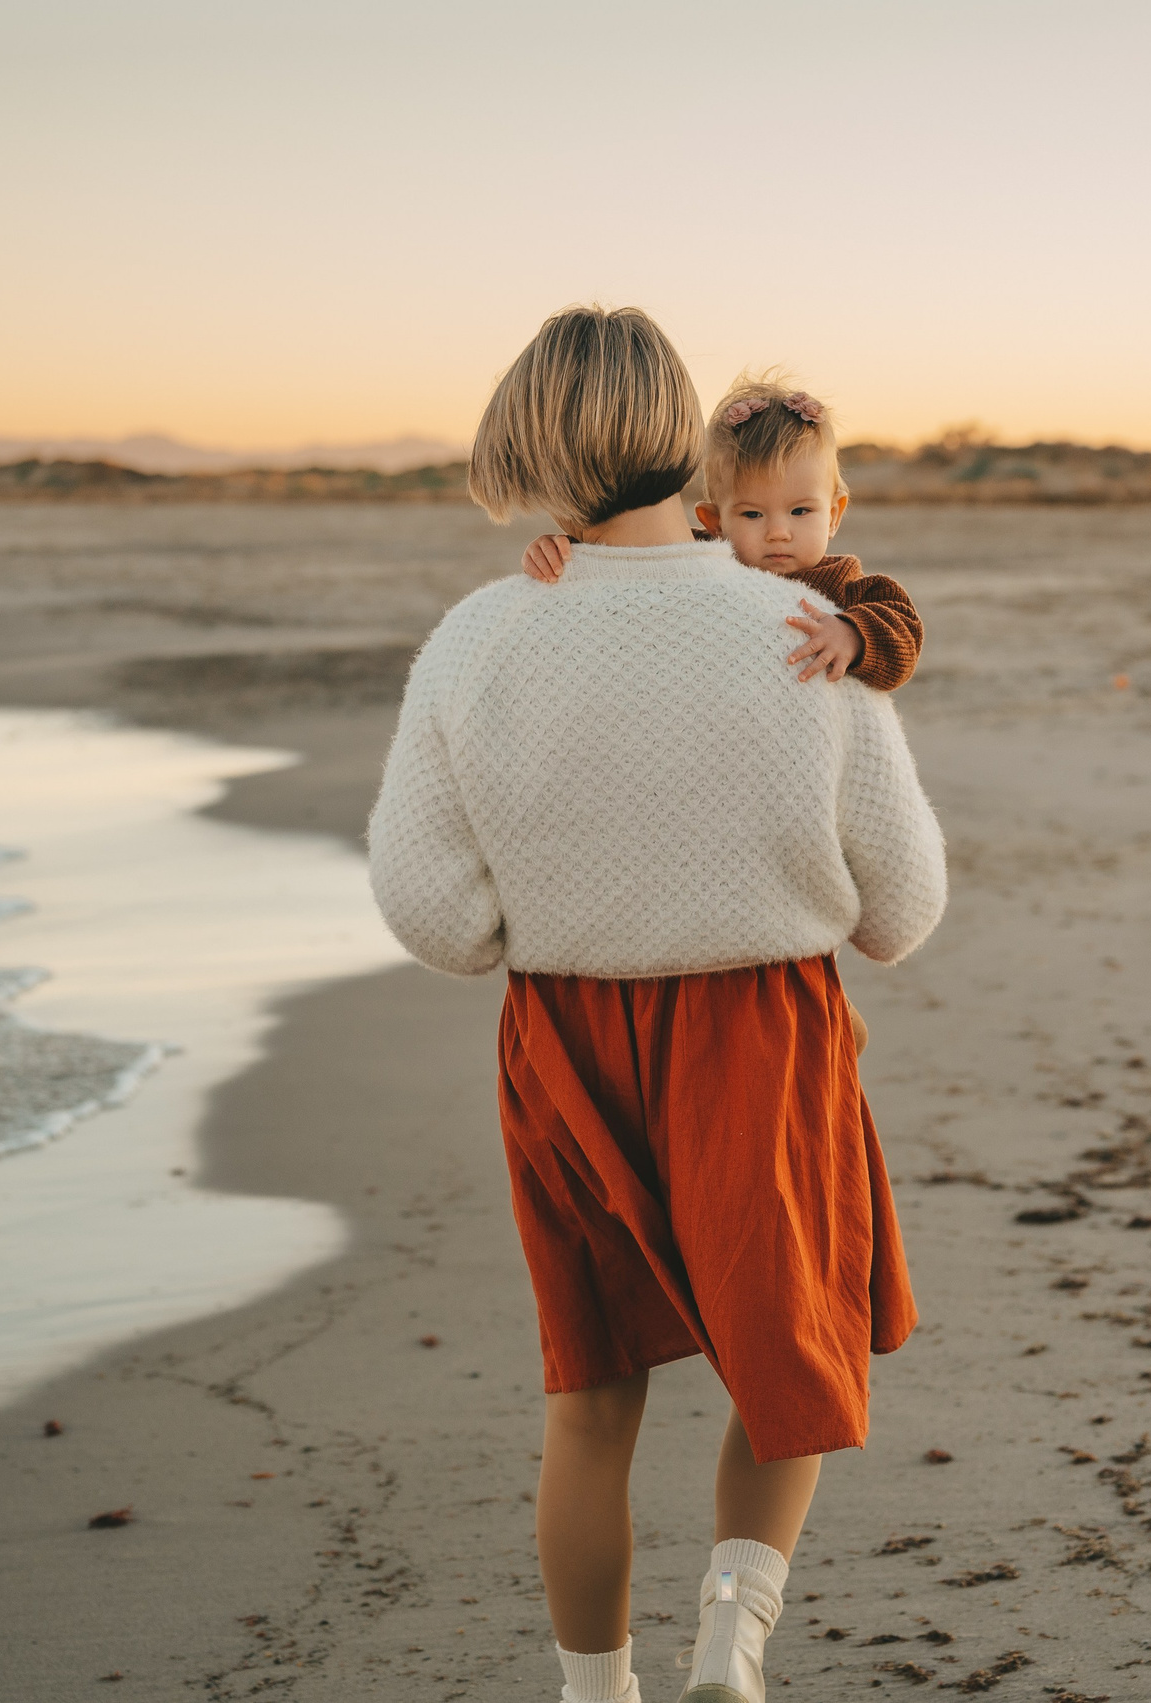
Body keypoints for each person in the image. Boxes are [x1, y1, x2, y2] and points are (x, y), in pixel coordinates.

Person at [367, 305, 948, 1703]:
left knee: (590, 1391)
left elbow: (435, 913)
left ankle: (593, 1689)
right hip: (763, 1029)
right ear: (675, 438)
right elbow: (903, 907)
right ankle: (732, 1646)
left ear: (527, 441)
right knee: (785, 1353)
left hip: (569, 1039)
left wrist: (563, 910)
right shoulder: (811, 629)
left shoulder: (481, 636)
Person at [517, 374, 923, 693]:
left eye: (801, 511)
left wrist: (851, 634)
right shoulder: (700, 557)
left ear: (834, 515)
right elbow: (636, 553)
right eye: (751, 514)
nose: (778, 532)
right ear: (715, 522)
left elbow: (905, 636)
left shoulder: (851, 590)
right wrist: (568, 548)